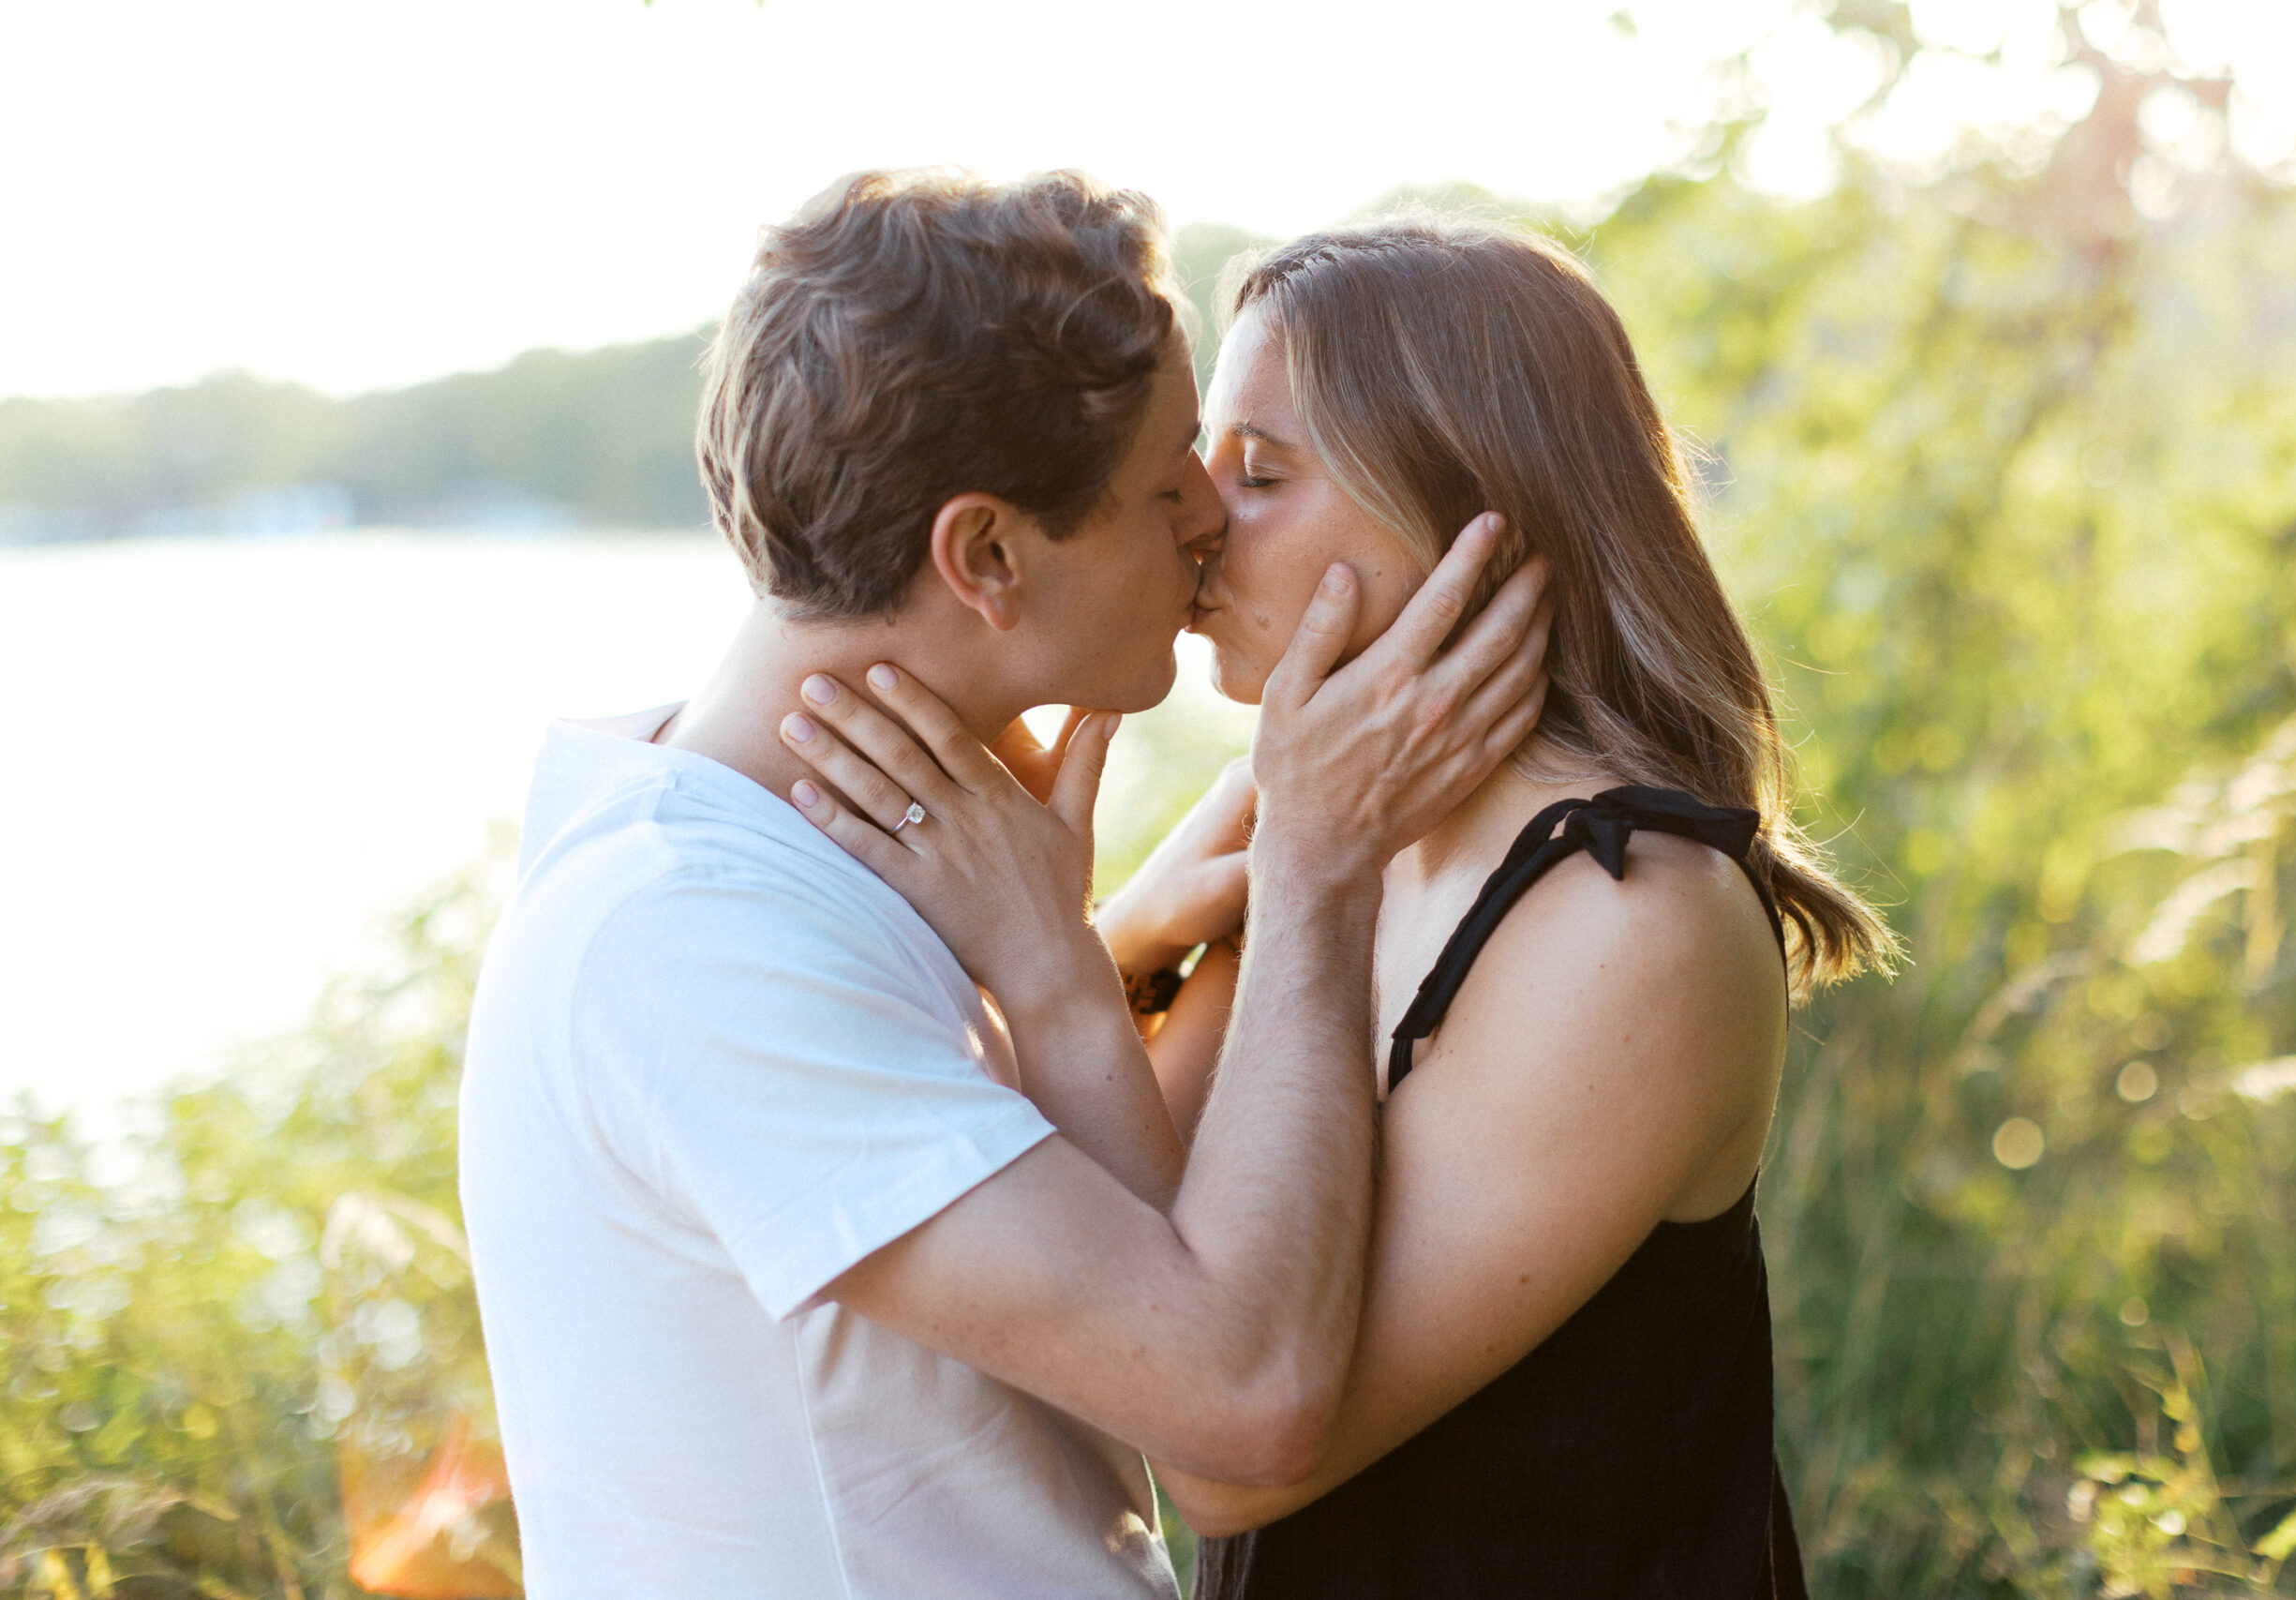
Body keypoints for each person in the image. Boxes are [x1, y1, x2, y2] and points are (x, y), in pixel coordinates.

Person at [455, 172, 1548, 1600]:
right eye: (1171, 484)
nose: (1216, 519)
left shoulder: (803, 854)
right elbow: (1239, 1400)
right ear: (986, 556)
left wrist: (1092, 955)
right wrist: (1316, 873)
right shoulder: (690, 940)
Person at [790, 215, 1897, 1600]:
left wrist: (1062, 961)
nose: (1192, 524)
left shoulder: (1636, 924)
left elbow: (1228, 1449)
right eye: (1196, 471)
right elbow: (1145, 1260)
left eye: (1258, 474)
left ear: (1475, 503)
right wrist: (1116, 940)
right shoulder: (1320, 831)